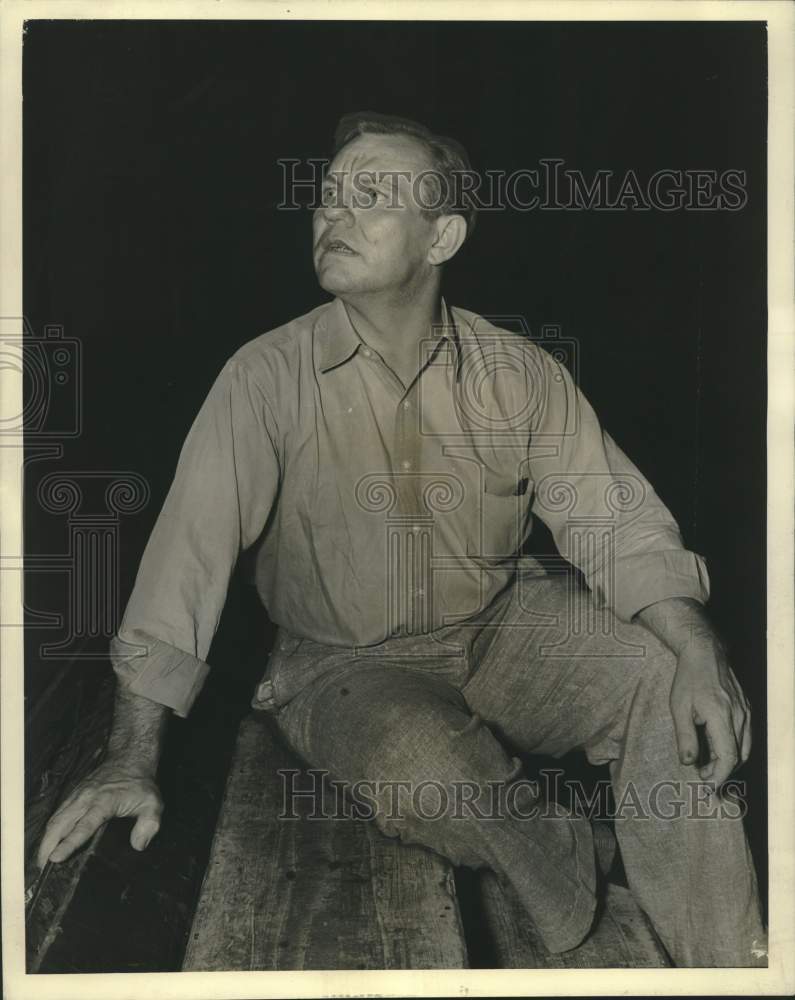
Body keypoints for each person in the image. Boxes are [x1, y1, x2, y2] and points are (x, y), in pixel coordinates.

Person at [37, 111, 766, 967]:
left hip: (500, 625)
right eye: (327, 194)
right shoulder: (264, 376)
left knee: (661, 670)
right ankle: (588, 889)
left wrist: (697, 650)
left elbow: (615, 520)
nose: (331, 213)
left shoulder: (518, 373)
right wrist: (130, 758)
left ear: (441, 237)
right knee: (429, 770)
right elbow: (182, 568)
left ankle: (732, 961)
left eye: (371, 195)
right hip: (341, 664)